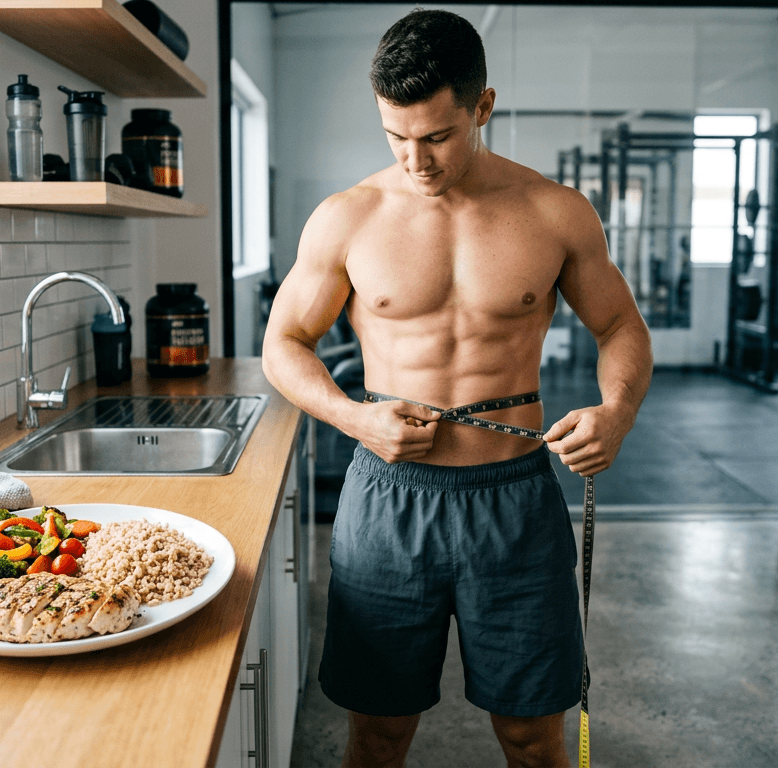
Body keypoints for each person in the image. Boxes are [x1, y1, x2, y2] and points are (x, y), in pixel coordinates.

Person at [262, 9, 652, 768]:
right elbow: (284, 345)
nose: (417, 160)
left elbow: (621, 328)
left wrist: (618, 411)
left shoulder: (554, 211)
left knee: (533, 736)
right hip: (388, 498)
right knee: (377, 733)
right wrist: (353, 419)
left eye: (437, 136)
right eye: (396, 137)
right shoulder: (348, 218)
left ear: (482, 106)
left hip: (514, 502)